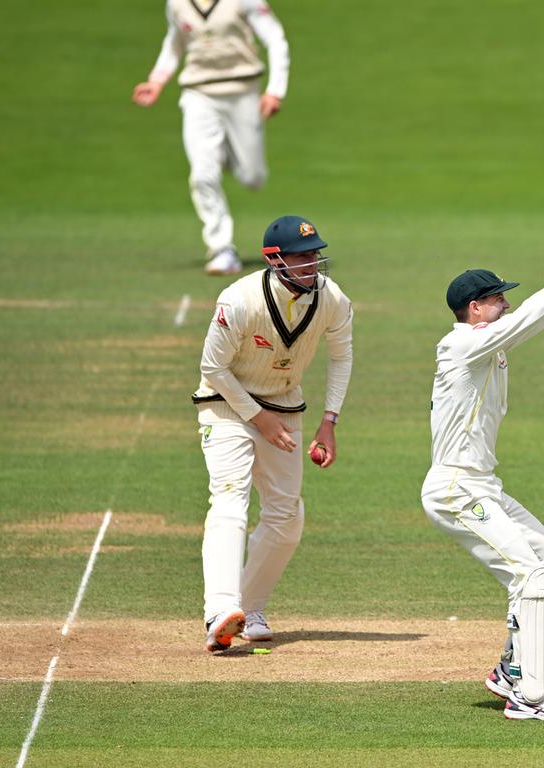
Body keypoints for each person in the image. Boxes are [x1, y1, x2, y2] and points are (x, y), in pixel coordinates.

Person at [420, 211, 544, 721]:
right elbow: (530, 317)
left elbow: (534, 316)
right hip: (456, 488)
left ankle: (511, 667)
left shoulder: (487, 346)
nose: (506, 304)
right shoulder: (463, 344)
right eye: (498, 298)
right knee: (529, 576)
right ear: (474, 308)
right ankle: (530, 697)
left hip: (481, 483)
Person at [193, 214, 353, 652]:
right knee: (230, 496)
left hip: (284, 405)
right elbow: (212, 368)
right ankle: (220, 609)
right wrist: (256, 417)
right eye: (302, 257)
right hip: (226, 404)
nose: (312, 264)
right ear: (275, 260)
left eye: (315, 255)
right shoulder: (239, 300)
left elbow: (341, 358)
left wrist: (329, 421)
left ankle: (250, 606)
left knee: (287, 516)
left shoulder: (332, 299)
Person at [132, 0, 290, 276]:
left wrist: (275, 90)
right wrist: (156, 80)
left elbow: (276, 39)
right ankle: (222, 249)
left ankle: (226, 152)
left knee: (253, 178)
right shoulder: (177, 3)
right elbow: (175, 40)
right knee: (203, 174)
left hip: (243, 90)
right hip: (198, 92)